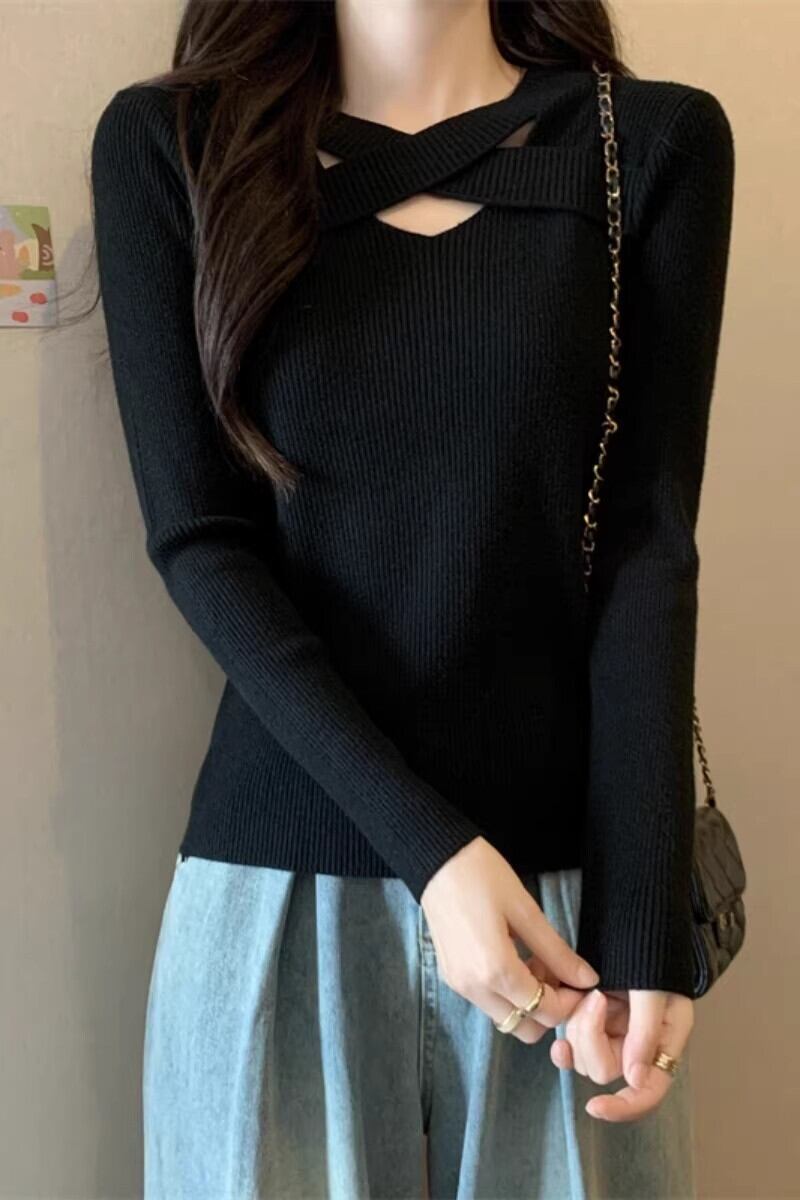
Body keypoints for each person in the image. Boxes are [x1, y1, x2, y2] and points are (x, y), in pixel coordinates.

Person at [89, 0, 735, 1195]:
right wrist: (435, 857)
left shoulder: (647, 143)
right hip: (280, 889)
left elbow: (646, 548)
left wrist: (647, 927)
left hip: (567, 923)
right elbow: (201, 541)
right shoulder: (172, 146)